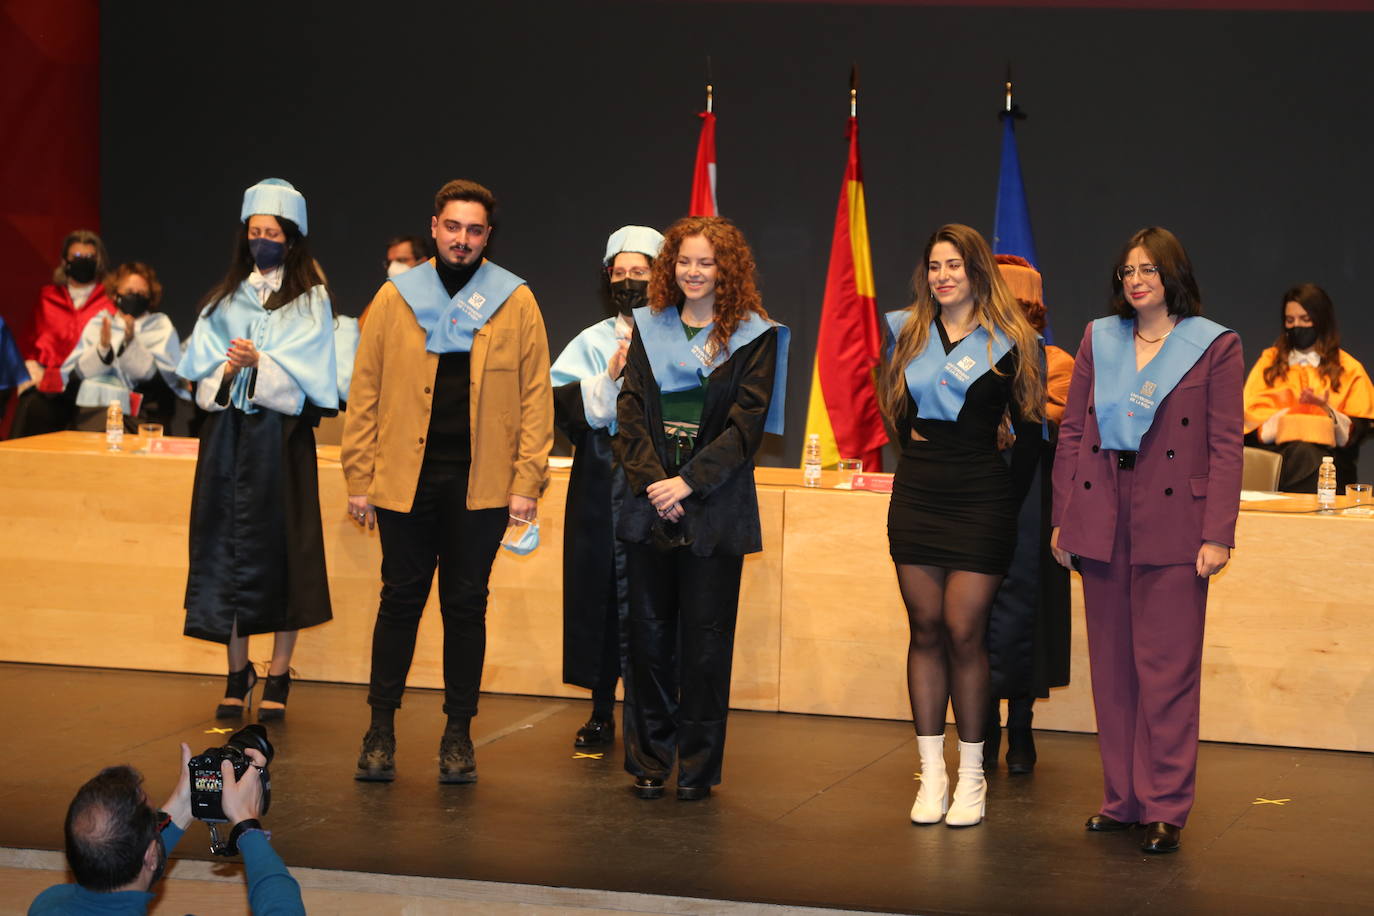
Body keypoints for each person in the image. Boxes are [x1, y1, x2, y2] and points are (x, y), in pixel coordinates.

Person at [343, 179, 553, 784]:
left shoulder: (515, 301)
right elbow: (365, 392)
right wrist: (360, 476)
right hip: (404, 482)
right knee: (399, 603)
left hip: (481, 488)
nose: (463, 239)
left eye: (475, 230)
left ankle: (458, 734)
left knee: (466, 609)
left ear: (489, 236)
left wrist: (527, 482)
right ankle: (380, 729)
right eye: (453, 227)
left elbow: (537, 398)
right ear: (434, 227)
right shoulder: (395, 298)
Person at [1051, 226, 1243, 854]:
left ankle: (1165, 805)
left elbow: (1223, 447)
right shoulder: (1097, 338)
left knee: (1166, 670)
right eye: (1128, 271)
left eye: (1148, 270)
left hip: (1176, 523)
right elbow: (1074, 436)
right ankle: (1122, 799)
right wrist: (1065, 516)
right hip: (1104, 510)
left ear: (1172, 276)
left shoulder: (1214, 345)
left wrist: (1218, 533)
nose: (1135, 280)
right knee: (1111, 670)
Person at [613, 216, 789, 801]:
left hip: (713, 507)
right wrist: (653, 483)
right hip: (649, 505)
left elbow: (746, 428)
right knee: (648, 640)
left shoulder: (755, 338)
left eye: (706, 263)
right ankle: (648, 760)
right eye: (684, 261)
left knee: (707, 645)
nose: (693, 272)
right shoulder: (648, 328)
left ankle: (696, 768)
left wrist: (686, 484)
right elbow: (631, 410)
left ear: (726, 270)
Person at [877, 224, 1044, 828]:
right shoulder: (908, 333)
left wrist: (1005, 497)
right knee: (924, 629)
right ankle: (933, 775)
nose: (943, 276)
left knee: (962, 628)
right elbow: (896, 415)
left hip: (982, 500)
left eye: (955, 265)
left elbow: (1028, 436)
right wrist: (925, 453)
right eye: (934, 266)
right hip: (919, 493)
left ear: (977, 271)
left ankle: (973, 776)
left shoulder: (1013, 340)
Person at [176, 178, 338, 722]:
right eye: (254, 232)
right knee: (227, 550)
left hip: (281, 441)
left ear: (291, 239)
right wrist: (227, 367)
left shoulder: (310, 301)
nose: (262, 241)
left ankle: (280, 670)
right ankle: (235, 669)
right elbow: (197, 375)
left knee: (285, 550)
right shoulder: (226, 299)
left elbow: (317, 375)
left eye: (272, 233)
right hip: (228, 442)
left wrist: (262, 365)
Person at [550, 225, 664, 748]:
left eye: (639, 272)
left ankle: (657, 713)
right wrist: (608, 378)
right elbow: (565, 406)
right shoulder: (592, 341)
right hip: (600, 481)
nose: (628, 282)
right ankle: (599, 709)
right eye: (619, 273)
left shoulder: (683, 335)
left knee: (656, 596)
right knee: (599, 592)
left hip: (658, 483)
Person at [28, 743, 303, 915]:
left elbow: (130, 857)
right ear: (150, 854)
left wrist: (183, 807)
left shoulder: (47, 905)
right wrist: (247, 825)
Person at [982, 254, 1073, 774]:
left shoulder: (1055, 362)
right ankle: (983, 726)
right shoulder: (964, 357)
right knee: (976, 618)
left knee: (1024, 620)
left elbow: (1053, 418)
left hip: (1033, 506)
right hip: (975, 502)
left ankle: (1020, 726)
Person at [1243, 283, 1373, 491]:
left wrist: (1326, 411)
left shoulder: (1347, 368)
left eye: (1305, 319)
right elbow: (1248, 424)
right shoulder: (1269, 364)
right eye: (1290, 320)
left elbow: (1358, 430)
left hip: (1332, 464)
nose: (1297, 326)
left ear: (1321, 320)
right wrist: (1285, 417)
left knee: (1312, 457)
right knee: (1301, 454)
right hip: (1277, 463)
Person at [60, 262, 189, 433]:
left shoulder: (161, 327)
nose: (135, 297)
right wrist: (103, 350)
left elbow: (166, 381)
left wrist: (130, 345)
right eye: (129, 292)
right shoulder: (100, 323)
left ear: (150, 297)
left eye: (142, 293)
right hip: (98, 409)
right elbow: (75, 377)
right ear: (115, 294)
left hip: (144, 413)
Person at [11, 230, 116, 437]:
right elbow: (30, 344)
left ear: (99, 262)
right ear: (65, 261)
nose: (83, 262)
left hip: (91, 387)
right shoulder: (48, 297)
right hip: (48, 386)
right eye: (77, 257)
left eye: (89, 258)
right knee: (31, 408)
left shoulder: (110, 301)